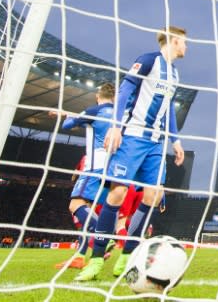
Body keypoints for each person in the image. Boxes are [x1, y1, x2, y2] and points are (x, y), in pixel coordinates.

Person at [75, 26, 187, 282]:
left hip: (156, 143)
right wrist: (116, 126)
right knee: (117, 193)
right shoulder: (148, 60)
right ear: (174, 41)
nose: (186, 48)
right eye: (184, 43)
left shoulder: (175, 74)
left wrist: (176, 140)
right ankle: (95, 259)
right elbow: (124, 92)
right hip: (133, 137)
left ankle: (127, 254)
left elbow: (168, 109)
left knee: (154, 194)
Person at [52, 83, 115, 269]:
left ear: (98, 95)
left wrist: (68, 115)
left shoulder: (93, 110)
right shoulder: (121, 115)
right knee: (87, 210)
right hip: (113, 168)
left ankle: (103, 235)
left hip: (94, 166)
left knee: (75, 205)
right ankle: (79, 256)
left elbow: (67, 125)